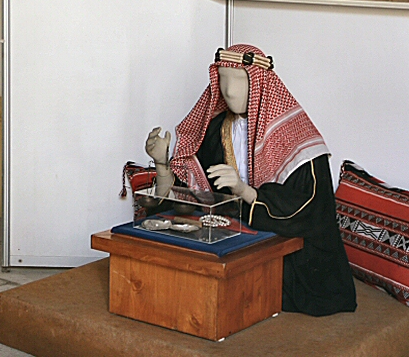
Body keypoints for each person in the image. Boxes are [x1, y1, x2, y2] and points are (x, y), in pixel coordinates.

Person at [145, 44, 357, 317]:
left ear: (260, 85)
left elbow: (312, 209)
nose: (228, 89)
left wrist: (243, 190)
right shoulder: (214, 130)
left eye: (239, 80)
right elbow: (188, 199)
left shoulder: (298, 140)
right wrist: (163, 164)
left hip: (287, 253)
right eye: (222, 78)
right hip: (227, 238)